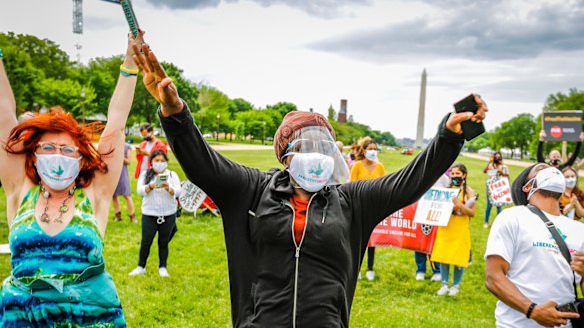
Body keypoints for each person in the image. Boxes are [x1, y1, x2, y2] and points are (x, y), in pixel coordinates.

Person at [133, 41, 487, 327]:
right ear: (284, 155)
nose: (316, 155)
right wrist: (175, 112)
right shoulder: (252, 190)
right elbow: (202, 164)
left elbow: (408, 182)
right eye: (305, 146)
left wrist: (448, 137)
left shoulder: (352, 202)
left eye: (323, 146)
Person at [0, 33, 141, 326]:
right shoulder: (19, 189)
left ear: (80, 156)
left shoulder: (96, 194)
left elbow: (116, 123)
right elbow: (3, 115)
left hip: (92, 317)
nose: (58, 155)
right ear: (34, 156)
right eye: (48, 148)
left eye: (67, 149)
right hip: (22, 317)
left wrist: (130, 62)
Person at [485, 163, 584, 327]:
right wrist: (533, 311)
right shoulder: (512, 217)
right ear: (527, 186)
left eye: (554, 170)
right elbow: (493, 277)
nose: (551, 171)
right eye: (541, 169)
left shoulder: (580, 230)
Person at [129, 149, 181, 278]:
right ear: (151, 161)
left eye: (162, 161)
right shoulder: (145, 174)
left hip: (168, 213)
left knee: (163, 242)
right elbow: (140, 191)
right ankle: (141, 267)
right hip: (149, 214)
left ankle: (163, 267)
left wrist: (169, 188)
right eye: (157, 160)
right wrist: (151, 186)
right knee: (146, 241)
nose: (160, 163)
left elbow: (178, 191)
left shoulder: (172, 175)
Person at [431, 163, 477, 296]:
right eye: (453, 173)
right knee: (444, 256)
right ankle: (444, 285)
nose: (455, 176)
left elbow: (472, 213)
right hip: (446, 227)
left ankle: (455, 285)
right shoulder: (446, 189)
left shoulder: (469, 191)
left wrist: (458, 204)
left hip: (460, 229)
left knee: (458, 259)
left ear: (464, 175)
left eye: (458, 174)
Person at [350, 136, 385, 281]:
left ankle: (370, 268)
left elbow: (384, 187)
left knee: (372, 240)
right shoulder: (357, 166)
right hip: (358, 207)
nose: (373, 151)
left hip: (373, 208)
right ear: (363, 150)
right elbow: (351, 186)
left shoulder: (380, 167)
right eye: (370, 149)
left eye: (375, 149)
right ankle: (355, 268)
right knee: (357, 239)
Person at [414, 172, 449, 282]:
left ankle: (437, 270)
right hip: (421, 213)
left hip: (436, 215)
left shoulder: (443, 178)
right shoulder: (418, 175)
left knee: (434, 243)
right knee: (419, 242)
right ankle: (420, 270)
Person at [483, 151, 510, 228]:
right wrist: (489, 162)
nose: (498, 158)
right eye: (496, 157)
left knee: (499, 205)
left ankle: (499, 222)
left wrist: (501, 172)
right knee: (489, 205)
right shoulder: (491, 165)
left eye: (499, 157)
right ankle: (486, 222)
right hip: (491, 187)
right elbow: (485, 171)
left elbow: (507, 176)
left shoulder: (504, 166)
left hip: (500, 187)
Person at [112, 141, 137, 223]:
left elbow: (129, 162)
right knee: (114, 195)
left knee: (126, 195)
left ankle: (133, 216)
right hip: (112, 173)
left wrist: (119, 156)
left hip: (122, 173)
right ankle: (117, 215)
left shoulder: (126, 146)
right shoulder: (111, 145)